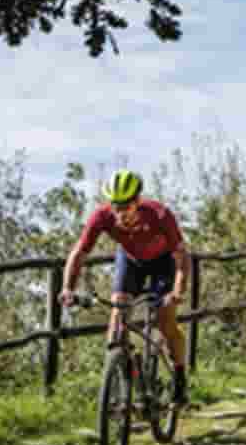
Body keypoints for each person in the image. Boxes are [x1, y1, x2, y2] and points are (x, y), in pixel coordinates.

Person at [60, 169, 191, 405]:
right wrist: (67, 288)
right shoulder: (102, 217)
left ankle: (180, 374)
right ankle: (120, 383)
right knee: (117, 317)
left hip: (163, 263)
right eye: (115, 206)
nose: (120, 213)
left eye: (125, 207)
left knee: (165, 319)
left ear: (138, 201)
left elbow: (182, 255)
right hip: (130, 261)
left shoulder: (160, 214)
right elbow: (79, 252)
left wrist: (178, 291)